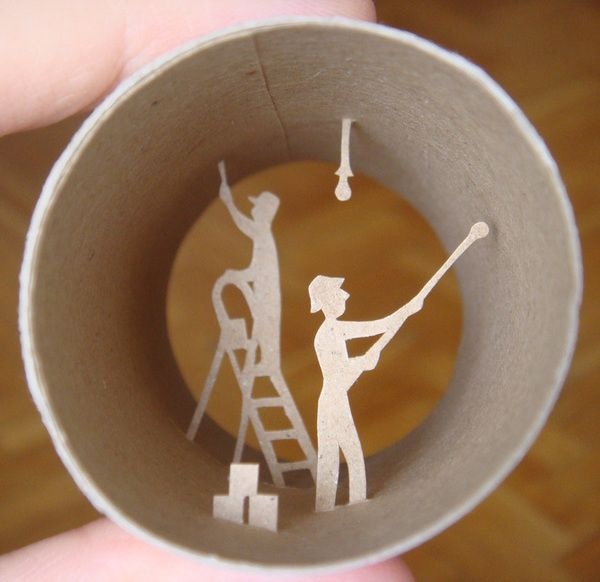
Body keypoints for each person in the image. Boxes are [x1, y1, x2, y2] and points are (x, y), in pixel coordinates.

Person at [0, 1, 414, 580]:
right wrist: (222, 195)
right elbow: (336, 330)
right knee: (316, 424)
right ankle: (334, 496)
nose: (256, 211)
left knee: (292, 388)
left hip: (267, 315)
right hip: (282, 332)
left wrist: (222, 191)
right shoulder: (264, 238)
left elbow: (250, 237)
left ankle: (338, 500)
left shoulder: (262, 236)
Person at [310, 276, 423, 512]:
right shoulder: (329, 332)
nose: (345, 295)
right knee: (344, 456)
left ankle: (338, 504)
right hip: (333, 400)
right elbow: (337, 373)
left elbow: (380, 326)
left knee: (336, 458)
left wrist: (408, 310)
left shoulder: (333, 329)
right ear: (327, 300)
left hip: (334, 398)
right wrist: (362, 362)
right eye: (338, 293)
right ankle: (343, 504)